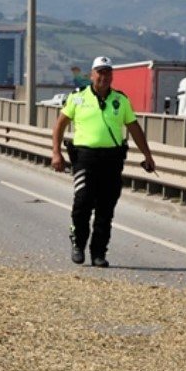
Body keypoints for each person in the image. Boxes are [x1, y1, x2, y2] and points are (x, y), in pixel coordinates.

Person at [51, 56, 157, 267]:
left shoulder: (121, 100)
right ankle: (78, 244)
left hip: (111, 159)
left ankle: (99, 252)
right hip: (85, 158)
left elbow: (134, 128)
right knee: (82, 202)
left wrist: (147, 155)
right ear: (92, 75)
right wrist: (56, 153)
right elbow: (60, 125)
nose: (104, 76)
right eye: (100, 72)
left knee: (106, 209)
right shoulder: (77, 97)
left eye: (107, 72)